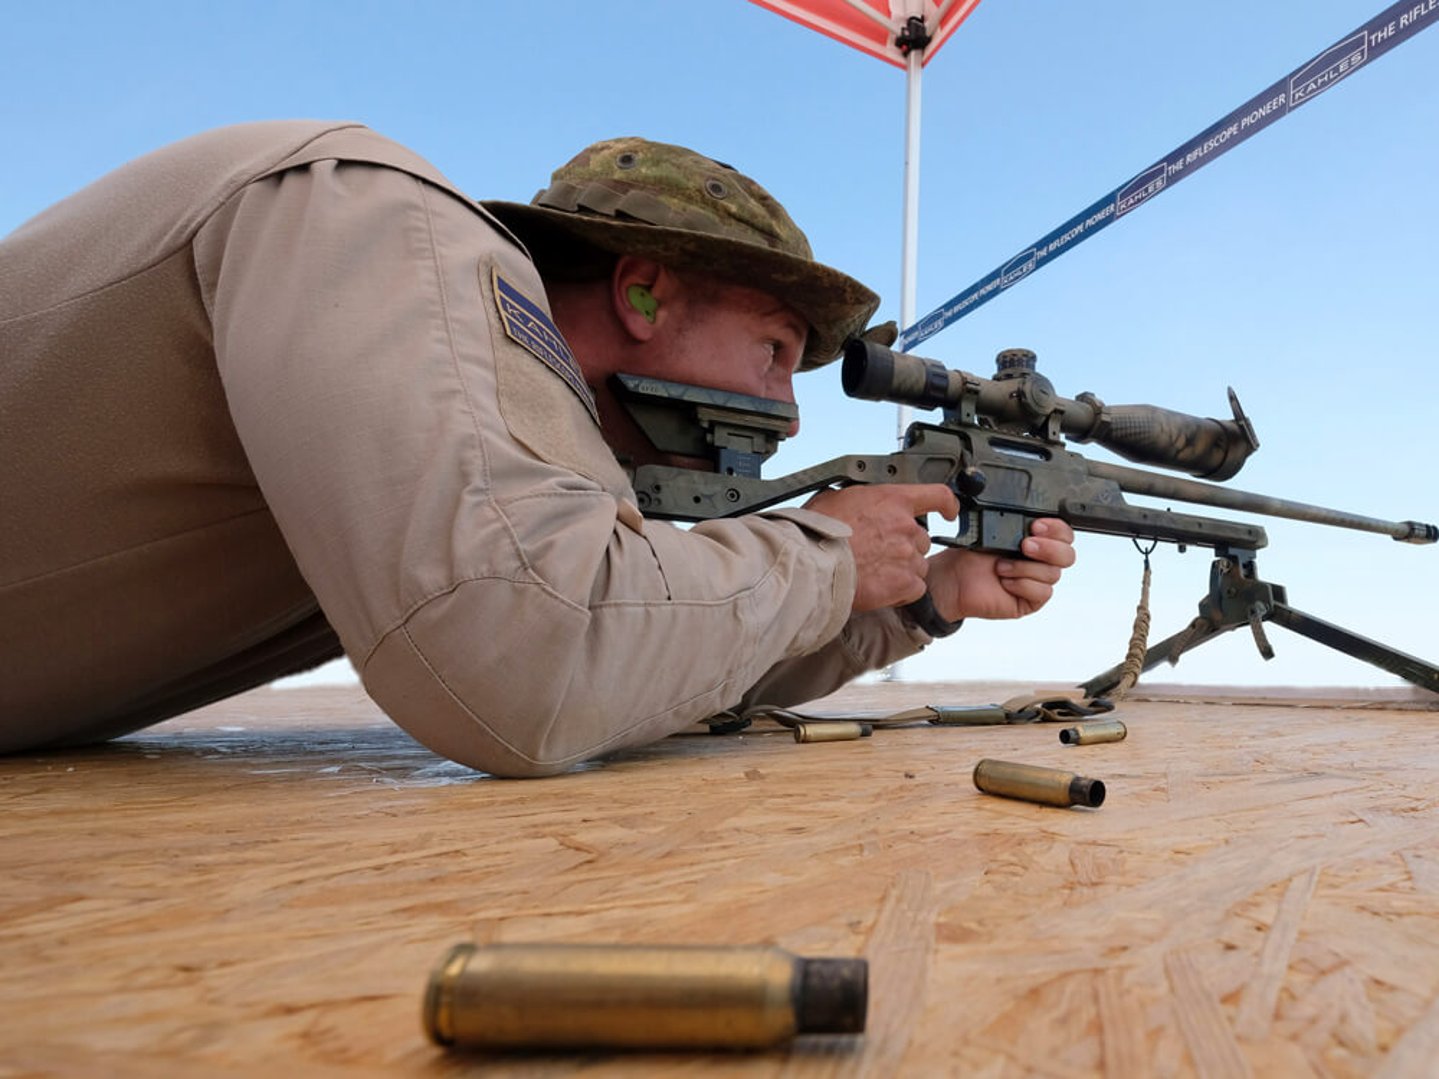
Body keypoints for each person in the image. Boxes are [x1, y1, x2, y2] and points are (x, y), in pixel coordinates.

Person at [0, 121, 1075, 776]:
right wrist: (822, 557)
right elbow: (529, 659)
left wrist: (916, 598)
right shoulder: (379, 222)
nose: (788, 415)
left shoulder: (516, 450)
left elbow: (636, 667)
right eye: (773, 349)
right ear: (643, 290)